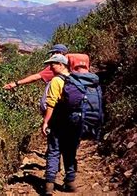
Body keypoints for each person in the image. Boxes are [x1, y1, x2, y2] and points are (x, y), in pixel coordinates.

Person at [41, 53, 80, 195]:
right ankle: (70, 182)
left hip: (58, 122)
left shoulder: (56, 81)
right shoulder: (76, 79)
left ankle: (49, 185)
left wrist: (45, 122)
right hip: (74, 122)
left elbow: (50, 103)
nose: (50, 66)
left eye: (53, 64)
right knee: (70, 151)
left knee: (54, 151)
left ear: (62, 65)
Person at [3, 44, 68, 90]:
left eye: (53, 53)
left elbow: (36, 77)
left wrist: (15, 84)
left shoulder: (55, 66)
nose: (52, 56)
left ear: (60, 53)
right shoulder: (71, 63)